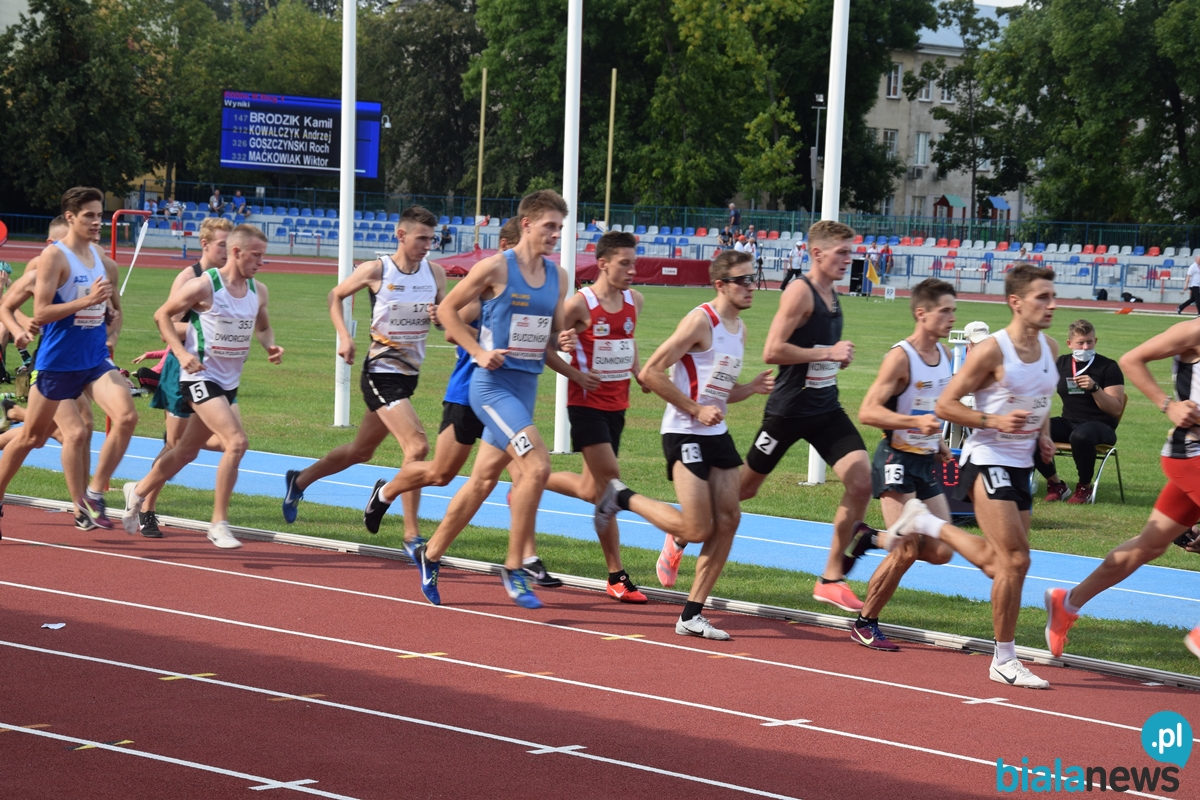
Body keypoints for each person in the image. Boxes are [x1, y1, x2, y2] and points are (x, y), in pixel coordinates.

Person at [880, 263, 1059, 688]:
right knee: (1016, 560)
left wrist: (1044, 435)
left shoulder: (1051, 348)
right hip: (987, 458)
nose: (1052, 305)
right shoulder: (992, 351)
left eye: (1053, 297)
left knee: (1006, 566)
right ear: (1016, 302)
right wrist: (994, 421)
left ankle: (927, 522)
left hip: (1021, 465)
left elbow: (1040, 400)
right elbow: (945, 405)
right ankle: (1004, 659)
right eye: (1042, 297)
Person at [409, 190, 577, 610]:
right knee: (536, 466)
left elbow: (552, 336)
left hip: (526, 388)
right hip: (491, 387)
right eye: (549, 226)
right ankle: (514, 566)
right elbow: (447, 311)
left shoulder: (558, 277)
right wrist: (478, 351)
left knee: (483, 480)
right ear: (527, 224)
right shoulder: (496, 267)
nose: (556, 234)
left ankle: (431, 554)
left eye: (560, 227)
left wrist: (568, 345)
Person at [594, 250, 773, 639]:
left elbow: (719, 392)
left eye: (752, 278)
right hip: (683, 431)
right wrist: (695, 409)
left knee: (729, 520)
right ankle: (620, 497)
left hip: (716, 434)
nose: (751, 287)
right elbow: (651, 372)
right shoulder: (700, 320)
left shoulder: (740, 330)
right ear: (720, 285)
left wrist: (751, 388)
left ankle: (691, 615)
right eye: (742, 280)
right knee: (696, 527)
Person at [281, 207, 447, 551]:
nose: (427, 246)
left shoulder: (435, 274)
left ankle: (299, 481)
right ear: (401, 235)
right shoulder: (376, 270)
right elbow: (335, 295)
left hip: (409, 375)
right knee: (417, 446)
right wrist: (344, 336)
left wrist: (439, 317)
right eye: (421, 238)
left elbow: (445, 320)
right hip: (380, 372)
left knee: (361, 451)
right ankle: (411, 535)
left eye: (431, 239)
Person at [1045, 315, 1200, 664]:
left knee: (1149, 545)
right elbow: (1132, 359)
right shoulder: (1194, 329)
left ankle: (1067, 603)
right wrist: (1168, 404)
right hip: (1192, 453)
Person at [122, 224, 283, 548]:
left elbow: (263, 327)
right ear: (236, 252)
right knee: (236, 442)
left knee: (186, 451)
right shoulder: (204, 285)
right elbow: (162, 315)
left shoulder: (259, 291)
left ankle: (137, 490)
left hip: (229, 382)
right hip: (199, 377)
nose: (261, 262)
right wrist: (181, 353)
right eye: (256, 255)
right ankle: (218, 524)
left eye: (263, 256)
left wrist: (270, 345)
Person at [740, 220, 870, 613]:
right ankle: (683, 532)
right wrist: (827, 353)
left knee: (862, 482)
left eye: (850, 252)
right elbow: (772, 350)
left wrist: (834, 359)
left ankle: (831, 578)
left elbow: (815, 348)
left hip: (826, 408)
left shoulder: (833, 293)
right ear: (816, 253)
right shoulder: (800, 291)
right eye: (841, 252)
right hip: (789, 410)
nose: (848, 259)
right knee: (744, 489)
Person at [0, 187, 138, 533]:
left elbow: (115, 310)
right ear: (71, 217)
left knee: (126, 416)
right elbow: (41, 312)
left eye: (100, 215)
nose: (97, 221)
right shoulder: (53, 258)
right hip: (57, 364)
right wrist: (86, 301)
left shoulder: (104, 261)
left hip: (94, 360)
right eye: (89, 215)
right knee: (33, 438)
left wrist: (110, 327)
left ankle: (93, 493)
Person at [848, 279, 958, 650]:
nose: (951, 317)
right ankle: (865, 622)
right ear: (921, 313)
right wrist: (914, 423)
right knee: (907, 548)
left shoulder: (945, 354)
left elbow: (930, 406)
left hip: (925, 460)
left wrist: (938, 441)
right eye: (944, 311)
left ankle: (872, 537)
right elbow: (868, 412)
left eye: (954, 310)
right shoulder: (901, 357)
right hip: (896, 459)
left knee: (942, 550)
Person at [543, 230, 650, 603]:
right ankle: (617, 575)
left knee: (592, 490)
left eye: (634, 263)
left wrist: (638, 371)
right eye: (625, 263)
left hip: (618, 405)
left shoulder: (635, 300)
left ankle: (532, 479)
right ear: (603, 264)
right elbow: (545, 344)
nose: (632, 270)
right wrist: (571, 366)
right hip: (586, 405)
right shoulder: (580, 304)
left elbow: (627, 342)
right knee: (611, 486)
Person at [0, 215, 98, 528]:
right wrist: (22, 326)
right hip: (50, 364)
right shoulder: (39, 267)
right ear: (51, 243)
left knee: (46, 435)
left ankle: (13, 412)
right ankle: (83, 507)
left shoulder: (87, 265)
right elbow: (8, 305)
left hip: (79, 363)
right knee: (71, 432)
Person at [151, 218, 233, 447]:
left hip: (215, 369)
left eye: (230, 245)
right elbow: (165, 328)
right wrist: (207, 329)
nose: (227, 251)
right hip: (183, 366)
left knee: (231, 440)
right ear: (205, 244)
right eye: (222, 245)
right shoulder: (189, 278)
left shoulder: (228, 279)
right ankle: (149, 475)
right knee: (177, 444)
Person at [1035, 319, 1125, 505]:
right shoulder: (1061, 364)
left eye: (1090, 342)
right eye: (1080, 343)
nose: (1085, 347)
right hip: (1069, 421)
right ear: (1069, 344)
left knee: (1081, 436)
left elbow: (1116, 409)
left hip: (1101, 426)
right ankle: (1056, 484)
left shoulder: (1108, 367)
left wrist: (1095, 388)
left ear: (1095, 341)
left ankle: (1084, 487)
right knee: (1031, 429)